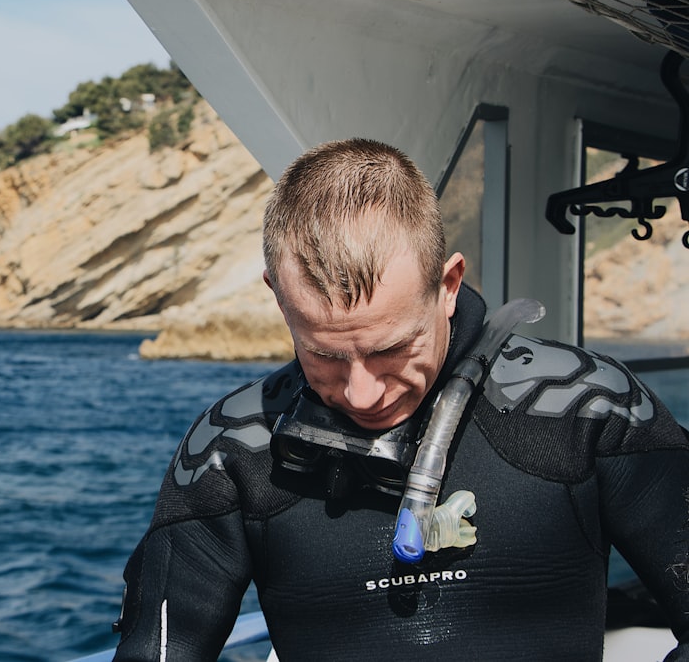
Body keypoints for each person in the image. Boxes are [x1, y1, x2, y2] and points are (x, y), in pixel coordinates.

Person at [111, 138, 689, 660]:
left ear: (449, 285)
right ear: (277, 297)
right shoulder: (230, 448)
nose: (361, 394)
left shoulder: (586, 407)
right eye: (325, 355)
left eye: (391, 350)